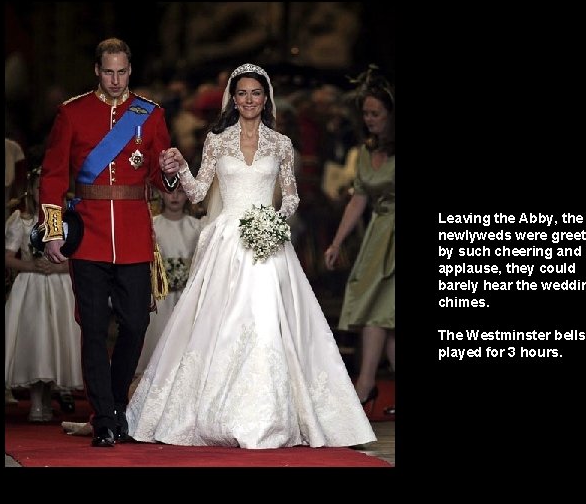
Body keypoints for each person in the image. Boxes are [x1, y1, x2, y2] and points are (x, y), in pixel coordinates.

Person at [127, 63, 376, 449]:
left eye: (255, 93)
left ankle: (270, 414)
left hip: (267, 241)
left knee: (267, 320)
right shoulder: (216, 141)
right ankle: (216, 411)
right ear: (233, 98)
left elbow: (291, 194)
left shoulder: (280, 143)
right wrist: (177, 170)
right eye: (242, 93)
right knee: (219, 323)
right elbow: (197, 193)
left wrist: (274, 221)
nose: (248, 100)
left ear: (266, 98)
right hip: (227, 242)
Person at [38, 37, 179, 447]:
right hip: (89, 237)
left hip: (134, 236)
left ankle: (118, 404)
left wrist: (168, 172)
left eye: (122, 71)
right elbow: (52, 176)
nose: (115, 80)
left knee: (136, 323)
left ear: (130, 70)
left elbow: (158, 173)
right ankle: (104, 418)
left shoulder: (150, 114)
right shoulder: (72, 113)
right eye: (108, 72)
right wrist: (52, 230)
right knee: (95, 327)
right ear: (97, 72)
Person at [323, 66, 395, 415]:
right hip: (377, 236)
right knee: (382, 315)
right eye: (366, 113)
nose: (369, 119)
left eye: (376, 113)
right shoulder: (366, 150)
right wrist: (337, 242)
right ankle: (367, 386)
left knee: (381, 313)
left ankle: (365, 386)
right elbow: (359, 198)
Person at [5, 168, 84, 421]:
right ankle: (36, 401)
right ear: (32, 191)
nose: (44, 194)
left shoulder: (69, 221)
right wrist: (31, 265)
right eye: (40, 189)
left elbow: (78, 256)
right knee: (36, 338)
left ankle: (49, 398)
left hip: (59, 287)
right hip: (32, 287)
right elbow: (8, 256)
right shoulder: (23, 220)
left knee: (54, 339)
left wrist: (59, 266)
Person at [135, 185, 202, 375]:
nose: (175, 196)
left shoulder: (196, 226)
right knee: (157, 338)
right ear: (161, 193)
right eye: (170, 191)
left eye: (180, 192)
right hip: (160, 294)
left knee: (182, 341)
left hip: (186, 296)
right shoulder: (153, 224)